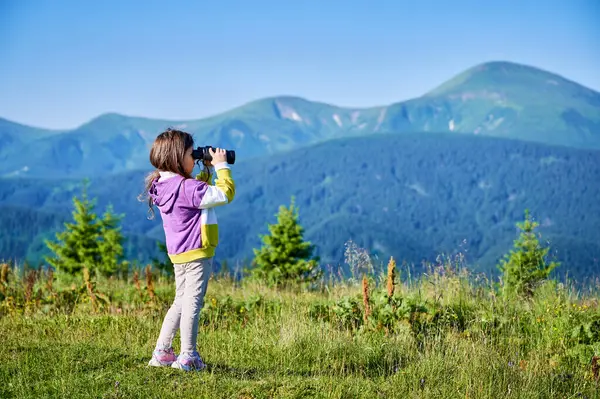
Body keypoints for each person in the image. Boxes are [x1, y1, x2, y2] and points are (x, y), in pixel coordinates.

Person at [142, 128, 235, 371]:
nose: (193, 158)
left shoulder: (162, 185)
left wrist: (205, 169)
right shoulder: (187, 188)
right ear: (176, 157)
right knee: (192, 304)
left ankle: (162, 352)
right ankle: (188, 356)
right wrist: (221, 167)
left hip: (178, 254)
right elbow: (224, 194)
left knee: (180, 302)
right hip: (197, 252)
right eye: (190, 154)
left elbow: (193, 192)